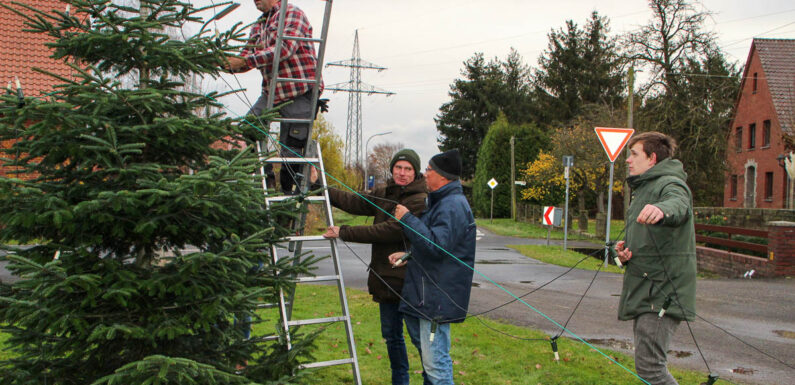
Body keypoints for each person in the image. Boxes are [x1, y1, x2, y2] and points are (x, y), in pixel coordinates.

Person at [314, 149, 428, 385]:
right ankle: (400, 381)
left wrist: (344, 231)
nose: (403, 173)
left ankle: (433, 380)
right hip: (386, 280)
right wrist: (320, 185)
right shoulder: (385, 192)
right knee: (392, 338)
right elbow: (354, 202)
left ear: (415, 172)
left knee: (421, 340)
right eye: (399, 168)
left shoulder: (419, 199)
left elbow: (389, 230)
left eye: (408, 169)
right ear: (392, 168)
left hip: (411, 282)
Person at [614, 132, 696, 385]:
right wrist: (626, 253)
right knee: (647, 367)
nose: (628, 160)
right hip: (646, 288)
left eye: (634, 154)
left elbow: (679, 203)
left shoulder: (669, 183)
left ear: (652, 158)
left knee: (651, 368)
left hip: (662, 292)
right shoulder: (645, 187)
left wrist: (663, 209)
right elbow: (651, 239)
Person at [389, 149, 476, 385]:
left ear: (443, 176)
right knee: (430, 360)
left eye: (429, 170)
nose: (424, 174)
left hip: (436, 297)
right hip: (424, 294)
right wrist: (409, 254)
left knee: (436, 365)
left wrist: (407, 219)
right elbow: (435, 242)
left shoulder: (453, 205)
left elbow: (437, 247)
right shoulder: (440, 201)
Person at [224, 0, 321, 194]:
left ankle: (288, 197)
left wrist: (245, 60)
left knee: (292, 149)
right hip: (272, 94)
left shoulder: (292, 14)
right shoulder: (259, 25)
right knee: (249, 129)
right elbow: (246, 58)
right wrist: (227, 63)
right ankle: (266, 182)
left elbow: (284, 49)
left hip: (299, 91)